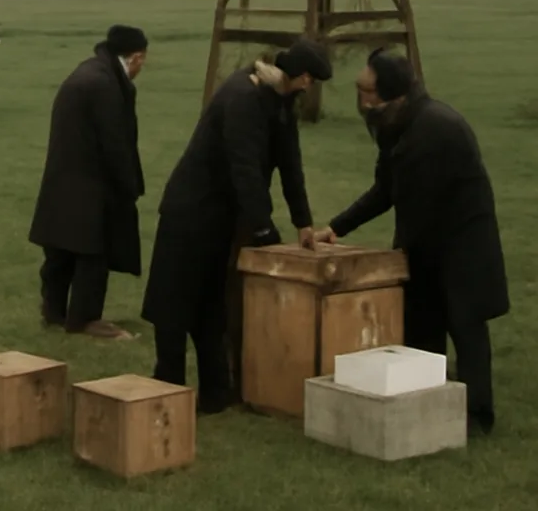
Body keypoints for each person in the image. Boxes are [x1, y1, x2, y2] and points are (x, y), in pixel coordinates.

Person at [314, 47, 509, 437]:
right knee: (422, 327)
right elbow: (385, 190)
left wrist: (392, 263)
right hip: (430, 244)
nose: (362, 100)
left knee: (465, 326)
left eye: (367, 90)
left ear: (390, 91)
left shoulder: (434, 129)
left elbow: (417, 208)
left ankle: (476, 416)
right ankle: (428, 399)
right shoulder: (399, 125)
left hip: (462, 243)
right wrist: (336, 228)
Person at [140, 38, 333, 412]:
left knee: (211, 305)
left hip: (223, 216)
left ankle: (215, 393)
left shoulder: (279, 100)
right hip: (191, 211)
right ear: (301, 76)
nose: (309, 87)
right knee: (174, 305)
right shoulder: (244, 97)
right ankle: (169, 387)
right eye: (309, 79)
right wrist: (264, 233)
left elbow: (290, 164)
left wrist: (303, 222)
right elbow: (244, 169)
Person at [27, 24, 148, 340]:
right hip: (90, 181)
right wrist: (128, 186)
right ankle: (85, 319)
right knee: (93, 252)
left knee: (61, 249)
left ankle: (53, 312)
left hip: (64, 176)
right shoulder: (104, 85)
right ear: (136, 57)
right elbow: (115, 143)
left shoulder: (89, 72)